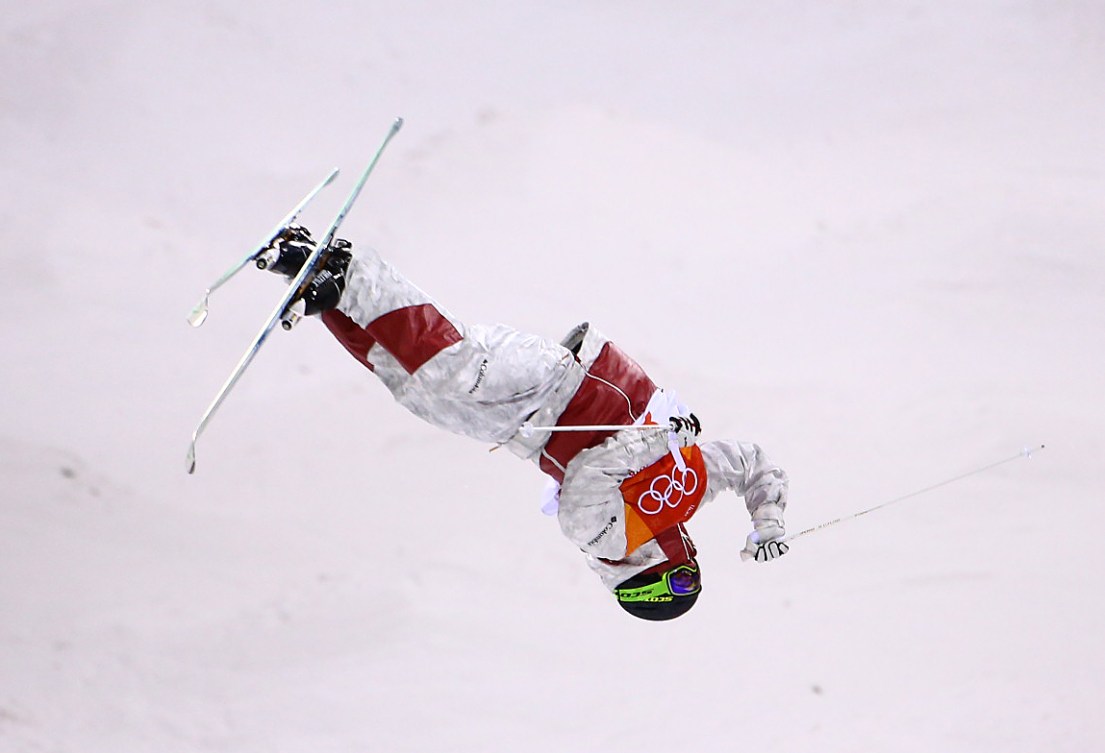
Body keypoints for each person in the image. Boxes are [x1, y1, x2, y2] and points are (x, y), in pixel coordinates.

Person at [260, 226, 791, 621]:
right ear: (669, 574)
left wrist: (658, 441)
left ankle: (331, 296)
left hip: (525, 420)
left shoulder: (617, 529)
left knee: (420, 390)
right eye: (639, 587)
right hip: (557, 387)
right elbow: (750, 463)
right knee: (455, 369)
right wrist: (768, 519)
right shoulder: (668, 506)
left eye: (628, 591)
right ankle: (349, 269)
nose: (620, 578)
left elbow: (593, 474)